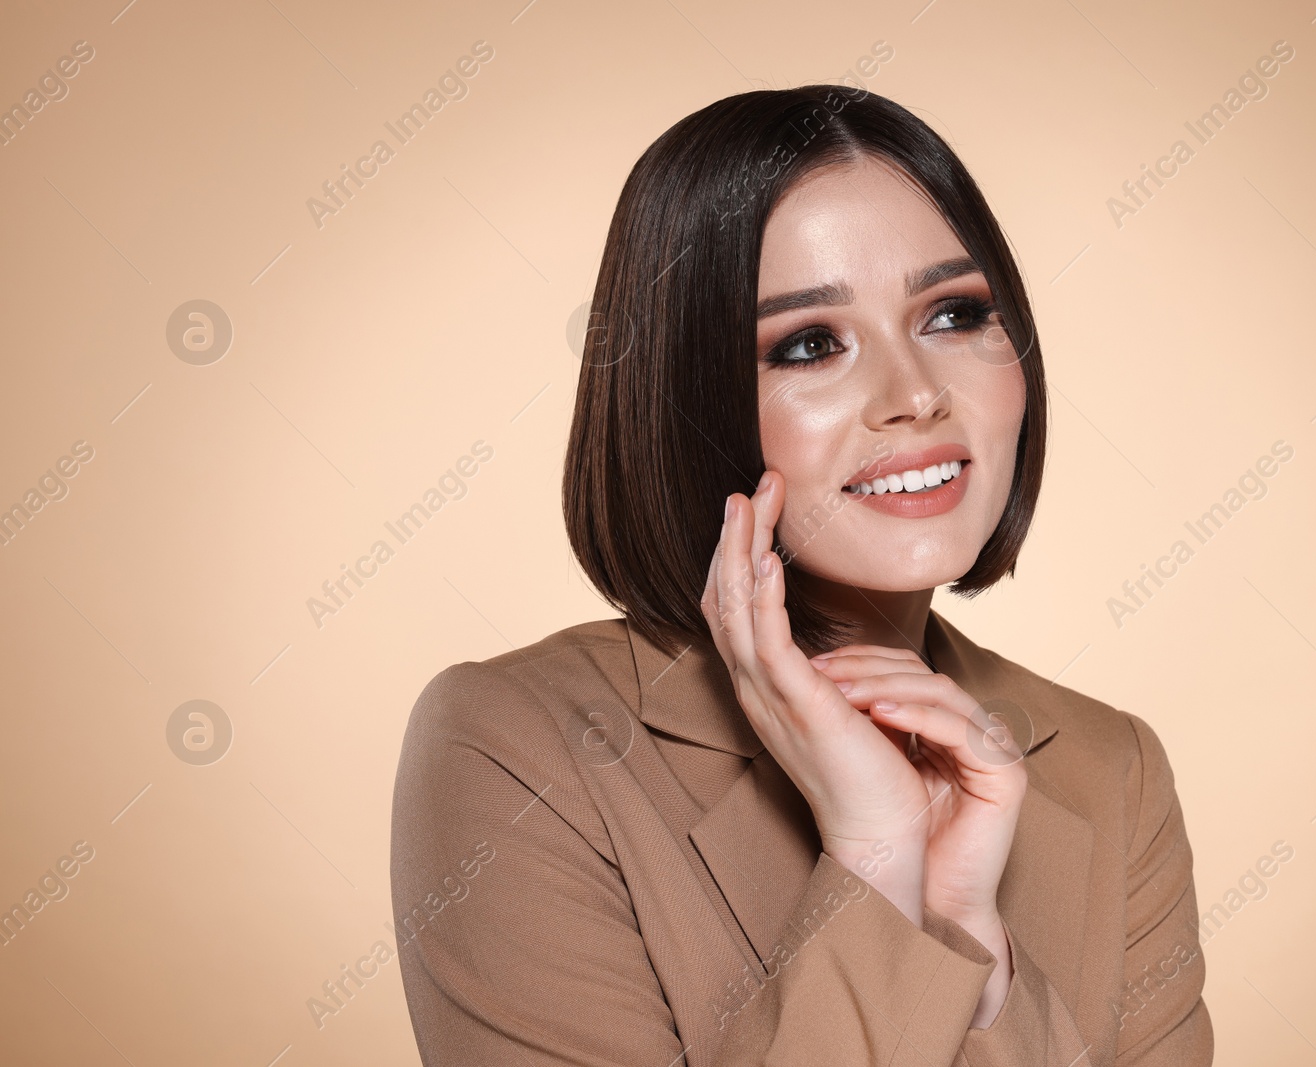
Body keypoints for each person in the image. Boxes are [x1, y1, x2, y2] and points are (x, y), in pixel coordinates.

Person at [390, 83, 1212, 1065]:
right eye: (811, 344)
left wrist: (967, 934)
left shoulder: (1110, 765)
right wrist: (872, 859)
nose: (913, 395)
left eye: (953, 313)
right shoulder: (516, 747)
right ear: (685, 403)